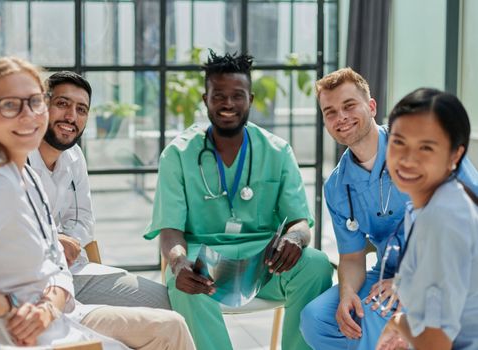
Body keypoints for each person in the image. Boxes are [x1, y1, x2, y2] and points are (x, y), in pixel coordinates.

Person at [144, 50, 333, 350]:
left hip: (266, 264)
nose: (228, 104)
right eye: (219, 95)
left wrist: (295, 238)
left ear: (251, 99)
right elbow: (170, 232)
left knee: (317, 264)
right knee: (184, 281)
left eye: (237, 95)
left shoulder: (277, 151)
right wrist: (178, 262)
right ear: (205, 99)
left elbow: (299, 221)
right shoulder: (177, 155)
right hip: (204, 264)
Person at [0, 56, 126, 349]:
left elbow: (57, 263)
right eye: (10, 104)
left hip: (55, 312)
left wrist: (48, 306)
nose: (27, 115)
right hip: (30, 333)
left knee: (167, 326)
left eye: (34, 103)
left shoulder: (25, 178)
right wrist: (9, 305)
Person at [300, 68, 478, 350]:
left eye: (349, 106)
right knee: (317, 319)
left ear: (371, 107)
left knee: (374, 312)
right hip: (387, 271)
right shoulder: (337, 186)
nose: (341, 117)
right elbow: (351, 256)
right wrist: (347, 294)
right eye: (330, 112)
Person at [27, 71, 196, 349]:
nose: (71, 116)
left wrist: (70, 243)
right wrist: (55, 241)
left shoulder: (74, 156)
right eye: (62, 104)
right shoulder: (13, 161)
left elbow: (83, 221)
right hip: (37, 280)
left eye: (81, 109)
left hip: (75, 272)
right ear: (41, 107)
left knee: (170, 301)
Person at [376, 88, 478, 350]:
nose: (408, 160)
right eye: (399, 142)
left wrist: (398, 323)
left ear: (455, 155)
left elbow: (435, 344)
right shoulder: (434, 204)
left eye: (426, 147)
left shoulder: (442, 219)